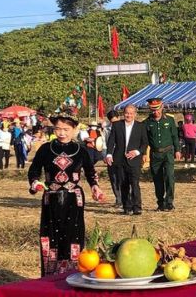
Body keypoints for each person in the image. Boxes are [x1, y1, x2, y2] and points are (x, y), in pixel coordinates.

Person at [28, 111, 104, 275]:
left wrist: (95, 187)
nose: (61, 133)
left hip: (73, 198)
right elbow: (34, 170)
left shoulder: (81, 150)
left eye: (66, 129)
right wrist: (35, 183)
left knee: (73, 235)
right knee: (50, 235)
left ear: (74, 129)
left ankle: (72, 274)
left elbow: (90, 173)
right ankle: (50, 276)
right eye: (58, 129)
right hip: (51, 198)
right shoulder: (45, 149)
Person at [105, 105, 148, 215]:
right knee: (123, 184)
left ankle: (137, 206)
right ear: (123, 113)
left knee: (134, 183)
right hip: (120, 159)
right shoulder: (116, 125)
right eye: (126, 113)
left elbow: (144, 143)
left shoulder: (141, 126)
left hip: (134, 160)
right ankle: (126, 206)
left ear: (135, 114)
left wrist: (137, 152)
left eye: (131, 113)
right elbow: (111, 141)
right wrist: (109, 154)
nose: (128, 115)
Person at [142, 96, 179, 211]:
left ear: (162, 107)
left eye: (157, 109)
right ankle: (160, 203)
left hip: (168, 152)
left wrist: (177, 150)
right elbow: (145, 140)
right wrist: (144, 153)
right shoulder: (146, 122)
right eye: (153, 110)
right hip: (155, 154)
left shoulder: (170, 120)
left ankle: (169, 202)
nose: (156, 112)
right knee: (157, 179)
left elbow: (175, 136)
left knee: (169, 176)